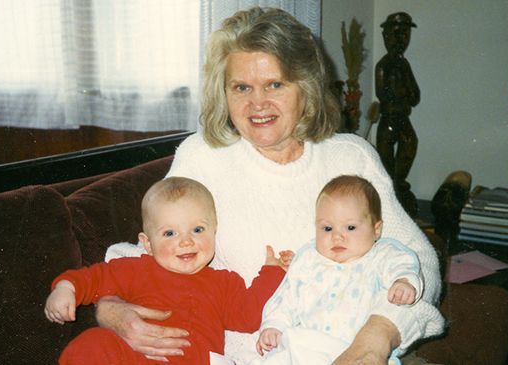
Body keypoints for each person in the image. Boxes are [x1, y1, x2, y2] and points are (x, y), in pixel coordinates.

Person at [97, 7, 444, 365]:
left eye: (275, 84)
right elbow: (156, 245)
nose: (257, 104)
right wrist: (111, 306)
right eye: (241, 87)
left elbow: (419, 261)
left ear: (305, 87)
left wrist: (375, 339)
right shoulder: (203, 158)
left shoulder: (351, 158)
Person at [44, 177, 293, 364]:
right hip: (139, 359)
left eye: (197, 230)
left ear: (214, 231)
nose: (186, 241)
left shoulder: (223, 282)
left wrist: (272, 273)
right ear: (148, 244)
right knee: (92, 344)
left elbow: (248, 316)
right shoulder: (135, 269)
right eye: (170, 233)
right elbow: (93, 278)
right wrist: (66, 287)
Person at [254, 175, 423, 365]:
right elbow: (286, 298)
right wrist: (274, 325)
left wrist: (404, 282)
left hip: (354, 350)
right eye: (327, 228)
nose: (337, 237)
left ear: (376, 229)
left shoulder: (381, 256)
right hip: (306, 346)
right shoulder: (309, 261)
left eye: (350, 227)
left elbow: (404, 265)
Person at [375, 12, 420, 217]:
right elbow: (382, 92)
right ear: (385, 36)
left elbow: (415, 96)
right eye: (396, 34)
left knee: (410, 141)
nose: (401, 39)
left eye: (405, 34)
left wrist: (405, 92)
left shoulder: (404, 64)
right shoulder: (383, 65)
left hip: (403, 118)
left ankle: (398, 183)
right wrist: (402, 94)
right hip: (389, 119)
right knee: (385, 155)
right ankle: (390, 188)